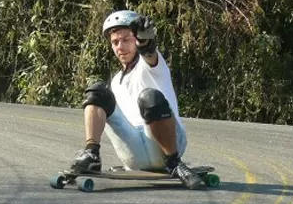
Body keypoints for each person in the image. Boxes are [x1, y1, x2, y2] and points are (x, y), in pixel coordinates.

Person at [69, 10, 202, 189]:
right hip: (133, 154)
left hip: (165, 147)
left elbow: (149, 54)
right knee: (97, 91)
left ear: (136, 38)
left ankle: (174, 163)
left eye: (126, 39)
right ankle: (91, 153)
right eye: (115, 42)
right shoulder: (116, 80)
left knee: (149, 97)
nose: (120, 46)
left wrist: (145, 42)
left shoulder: (152, 67)